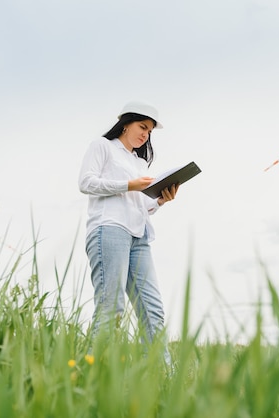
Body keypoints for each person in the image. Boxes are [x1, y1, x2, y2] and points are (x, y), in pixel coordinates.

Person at [78, 101, 177, 365]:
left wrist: (160, 200)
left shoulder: (137, 162)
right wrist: (128, 184)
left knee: (152, 310)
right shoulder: (102, 146)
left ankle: (160, 378)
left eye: (150, 131)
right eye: (142, 126)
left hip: (139, 236)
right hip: (110, 229)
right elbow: (86, 183)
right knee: (112, 307)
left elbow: (140, 203)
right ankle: (91, 373)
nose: (146, 134)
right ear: (126, 123)